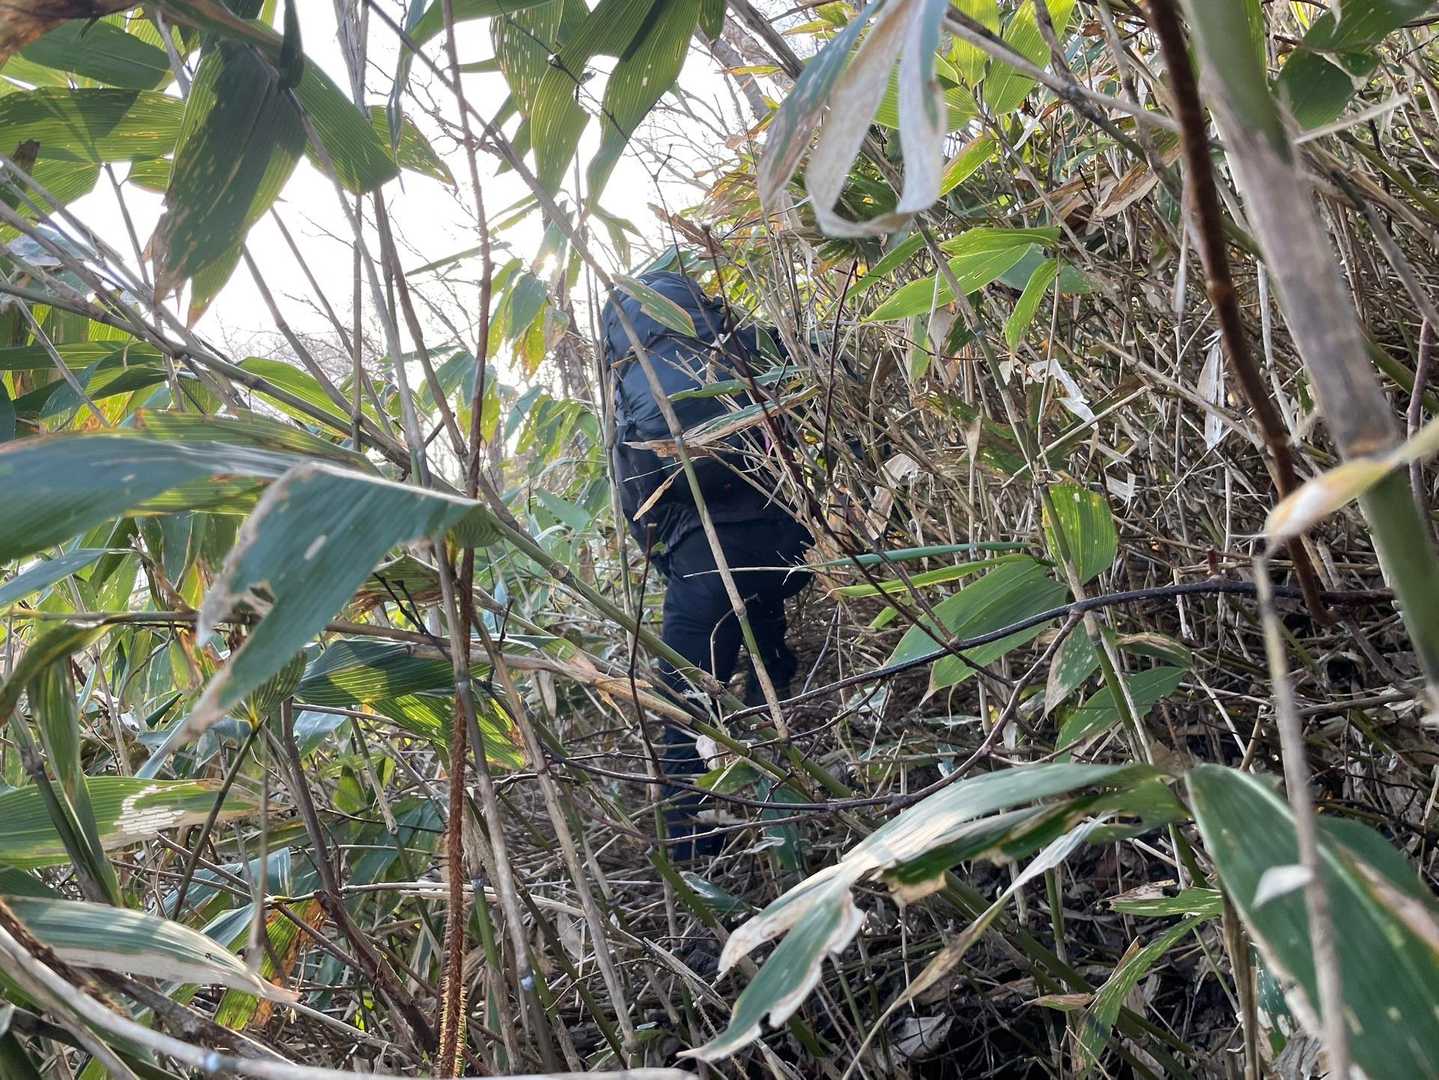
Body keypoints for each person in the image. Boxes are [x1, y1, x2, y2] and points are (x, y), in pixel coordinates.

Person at [602, 270, 811, 859]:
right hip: (784, 536)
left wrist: (664, 557)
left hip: (703, 556)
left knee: (687, 702)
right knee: (766, 637)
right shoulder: (739, 340)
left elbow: (634, 490)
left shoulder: (634, 379)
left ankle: (694, 842)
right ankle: (787, 755)